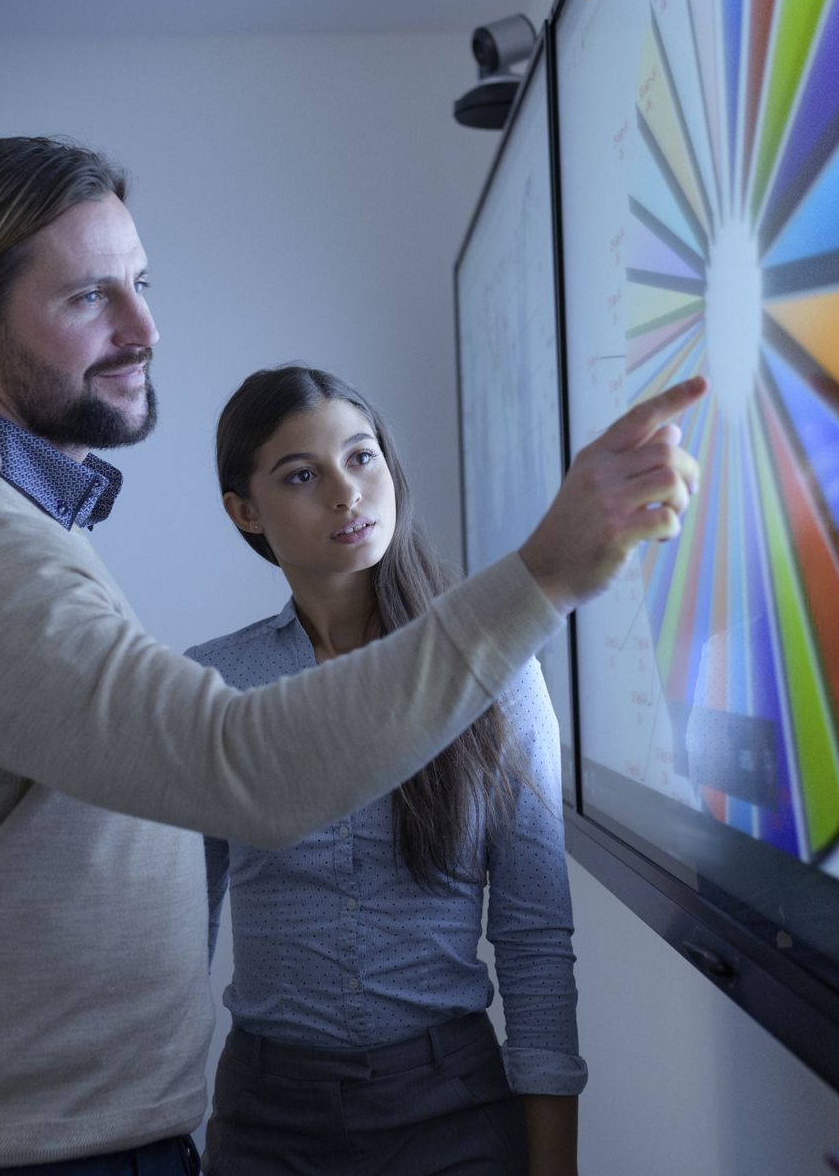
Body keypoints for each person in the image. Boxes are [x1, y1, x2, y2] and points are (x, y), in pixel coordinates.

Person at [0, 136, 702, 1175]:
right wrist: (547, 572)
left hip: (140, 1136)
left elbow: (530, 937)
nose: (146, 329)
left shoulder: (29, 533)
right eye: (89, 299)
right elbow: (242, 768)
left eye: (143, 286)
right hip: (56, 1151)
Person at [192, 366, 583, 1176]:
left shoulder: (493, 669)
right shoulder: (212, 686)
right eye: (301, 475)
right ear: (244, 512)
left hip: (453, 1109)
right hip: (265, 1117)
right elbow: (173, 941)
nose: (346, 493)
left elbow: (535, 939)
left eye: (361, 457)